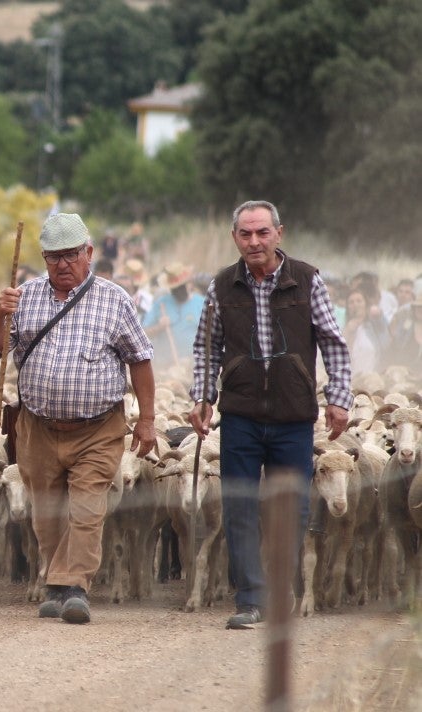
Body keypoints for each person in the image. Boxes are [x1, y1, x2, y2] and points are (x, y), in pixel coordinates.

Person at [0, 212, 156, 625]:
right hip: (37, 426)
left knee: (87, 506)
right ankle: (56, 582)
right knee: (47, 510)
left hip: (97, 427)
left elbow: (141, 359)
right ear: (43, 258)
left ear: (89, 253)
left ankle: (73, 587)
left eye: (72, 255)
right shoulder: (24, 296)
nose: (63, 264)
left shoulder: (115, 300)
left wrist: (147, 418)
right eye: (54, 256)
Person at [187, 200, 351, 630]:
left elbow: (332, 341)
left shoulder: (307, 280)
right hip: (240, 412)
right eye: (246, 234)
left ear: (279, 233)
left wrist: (339, 397)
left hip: (293, 413)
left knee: (291, 506)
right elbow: (206, 347)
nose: (255, 241)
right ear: (235, 238)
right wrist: (202, 397)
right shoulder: (222, 285)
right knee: (239, 504)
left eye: (262, 232)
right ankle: (250, 599)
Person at [143, 263, 205, 372]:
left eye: (181, 287)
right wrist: (159, 327)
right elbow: (143, 333)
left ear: (188, 284)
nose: (178, 292)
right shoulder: (161, 304)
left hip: (193, 365)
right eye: (174, 289)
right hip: (165, 366)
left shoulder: (201, 303)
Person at [343, 287, 389, 375]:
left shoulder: (374, 325)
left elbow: (386, 342)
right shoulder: (345, 328)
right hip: (351, 379)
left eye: (359, 301)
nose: (355, 304)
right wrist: (348, 332)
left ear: (365, 304)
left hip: (372, 378)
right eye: (351, 302)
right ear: (348, 307)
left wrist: (379, 315)